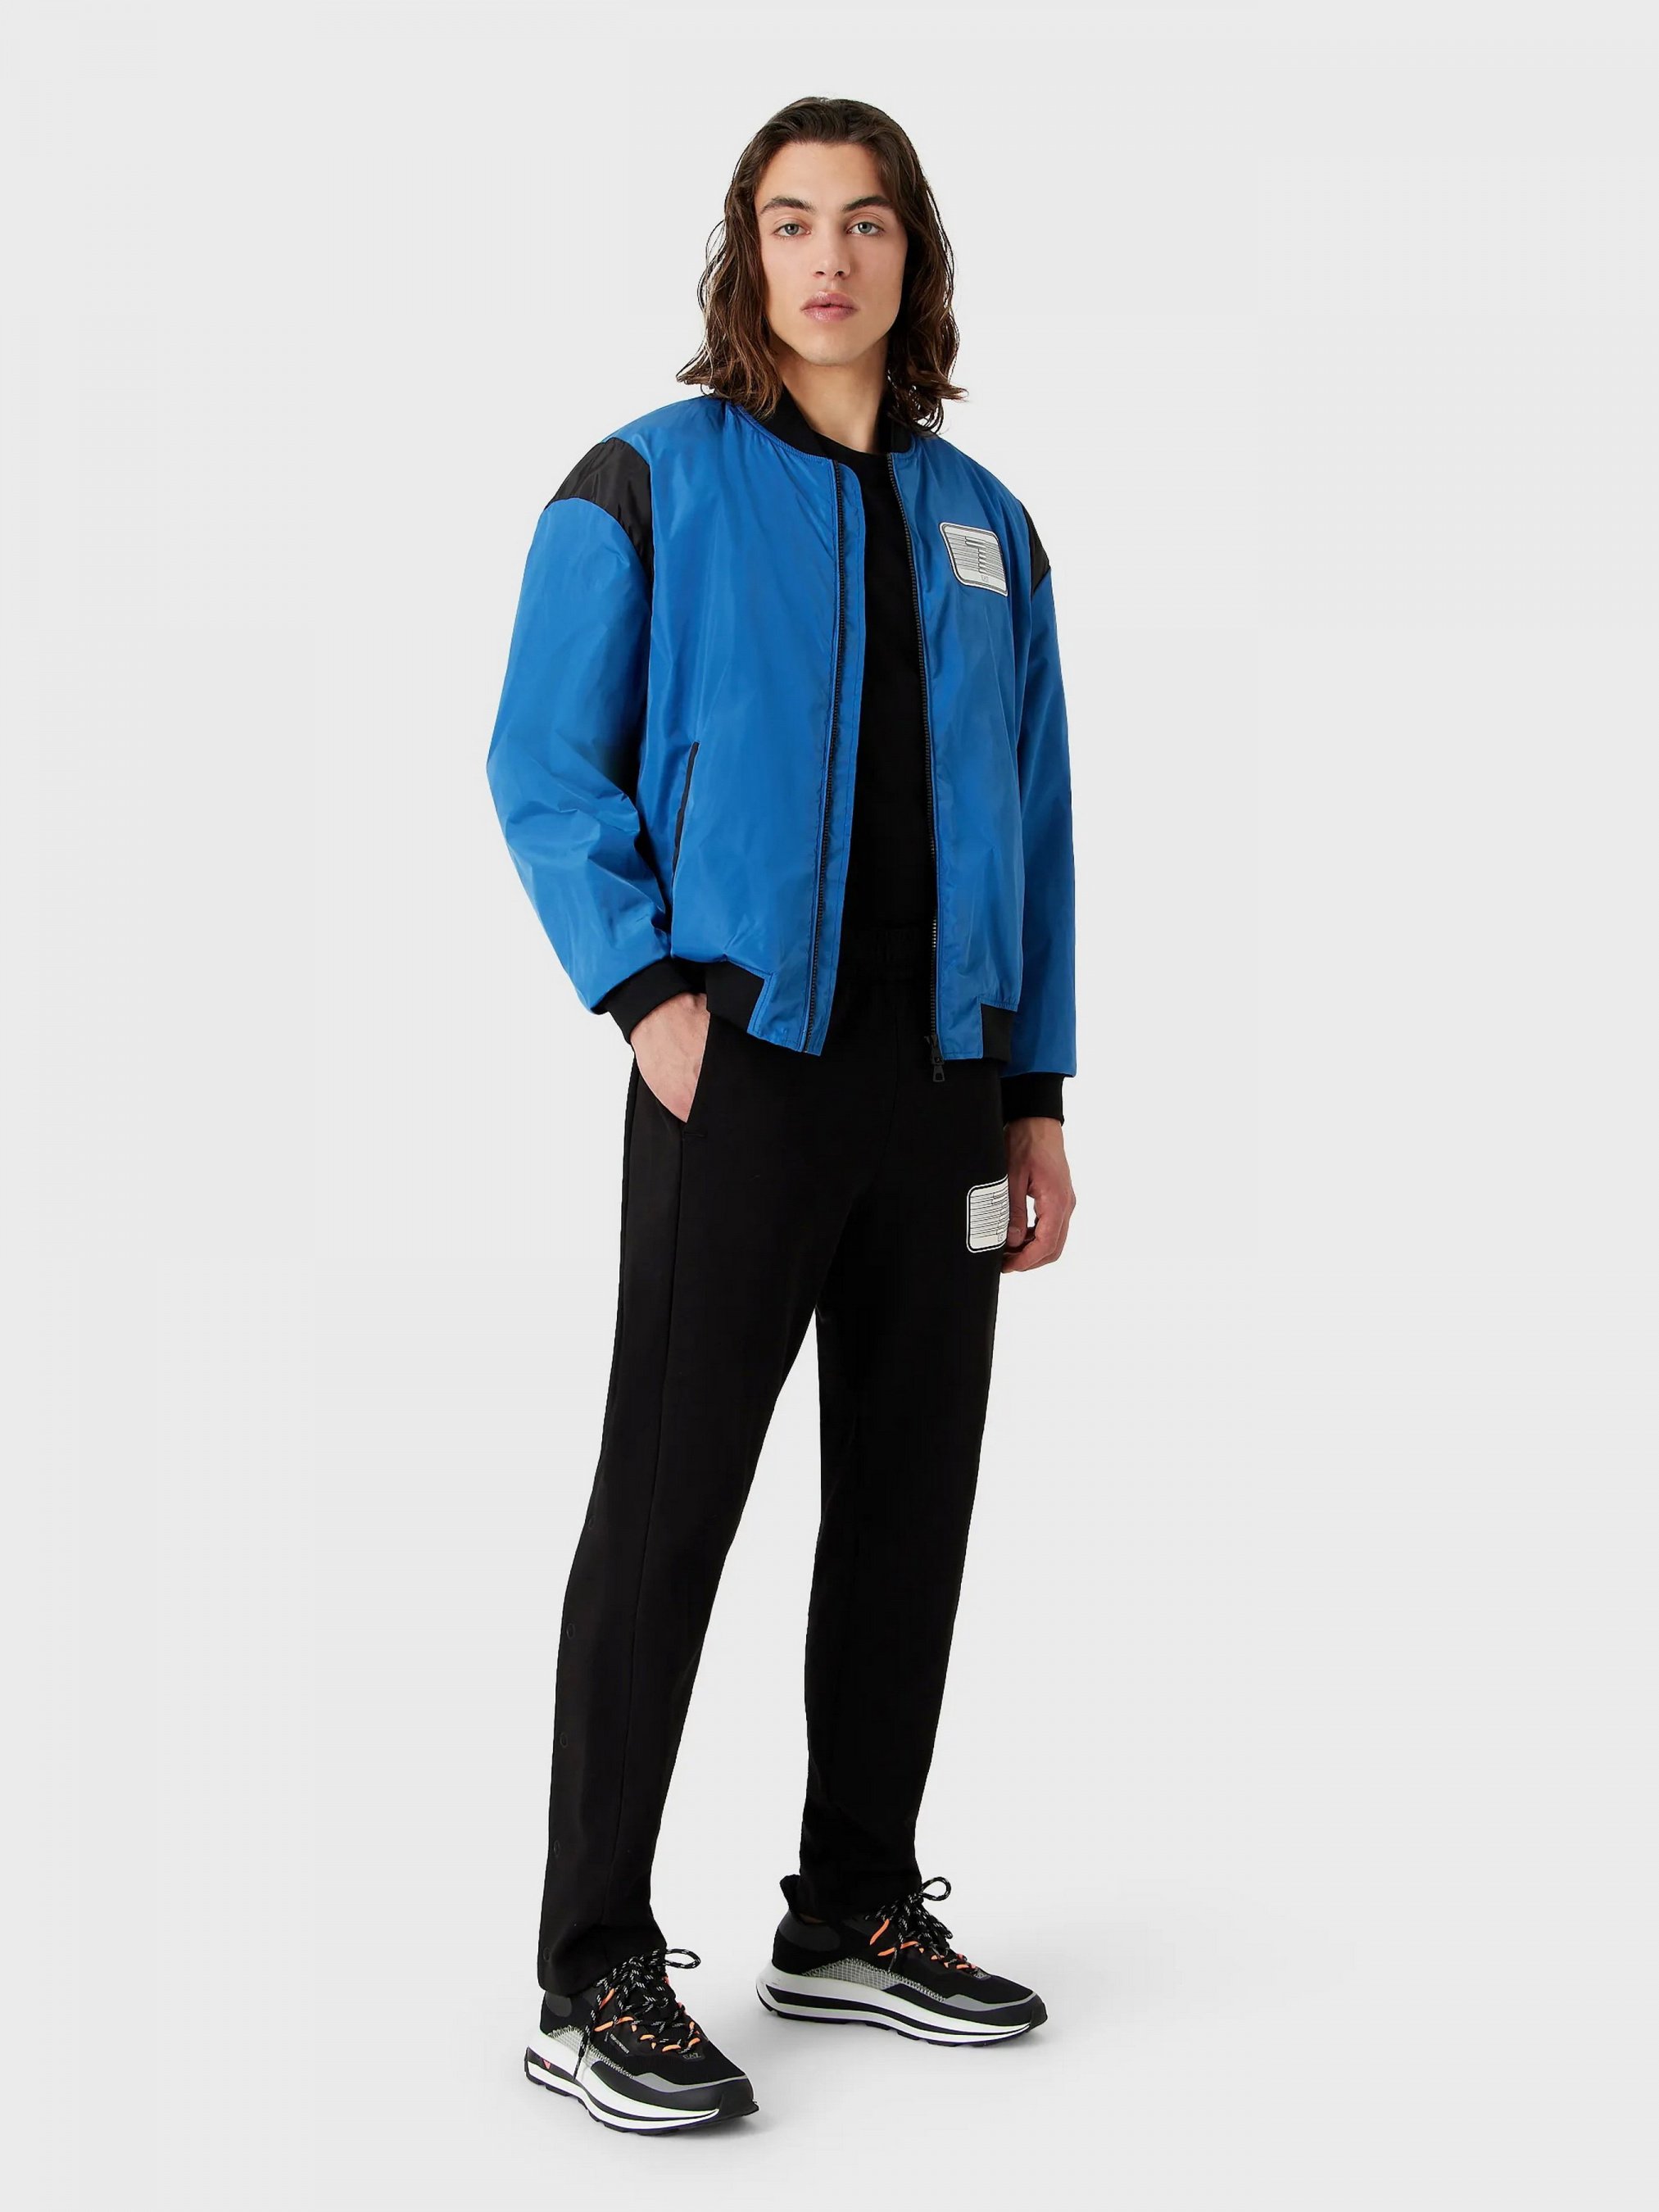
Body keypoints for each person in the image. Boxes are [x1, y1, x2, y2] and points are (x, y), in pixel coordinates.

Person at [485, 94, 1078, 2135]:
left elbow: (1036, 821)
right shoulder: (643, 484)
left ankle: (847, 1912)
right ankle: (589, 1969)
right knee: (666, 1511)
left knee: (910, 1503)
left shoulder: (990, 523)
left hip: (944, 1089)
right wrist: (648, 998)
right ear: (745, 256)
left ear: (914, 260)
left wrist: (1031, 1093)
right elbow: (541, 763)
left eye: (868, 223)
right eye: (792, 221)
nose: (829, 258)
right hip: (741, 1066)